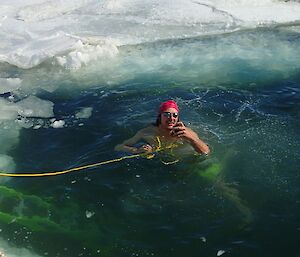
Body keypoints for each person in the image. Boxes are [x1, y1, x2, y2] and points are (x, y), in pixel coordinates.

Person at [115, 100, 210, 156]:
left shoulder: (185, 132)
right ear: (160, 116)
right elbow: (118, 147)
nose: (171, 118)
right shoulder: (147, 132)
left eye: (174, 115)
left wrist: (193, 140)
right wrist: (136, 150)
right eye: (167, 115)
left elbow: (205, 152)